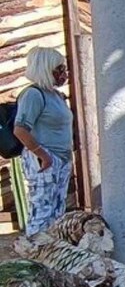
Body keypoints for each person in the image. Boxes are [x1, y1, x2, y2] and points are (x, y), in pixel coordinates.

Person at [13, 47, 73, 237]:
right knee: (42, 210)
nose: (64, 73)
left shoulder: (55, 95)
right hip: (44, 158)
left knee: (57, 211)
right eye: (59, 69)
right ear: (47, 70)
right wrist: (43, 155)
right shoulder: (33, 95)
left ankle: (53, 253)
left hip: (61, 158)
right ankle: (36, 252)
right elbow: (20, 129)